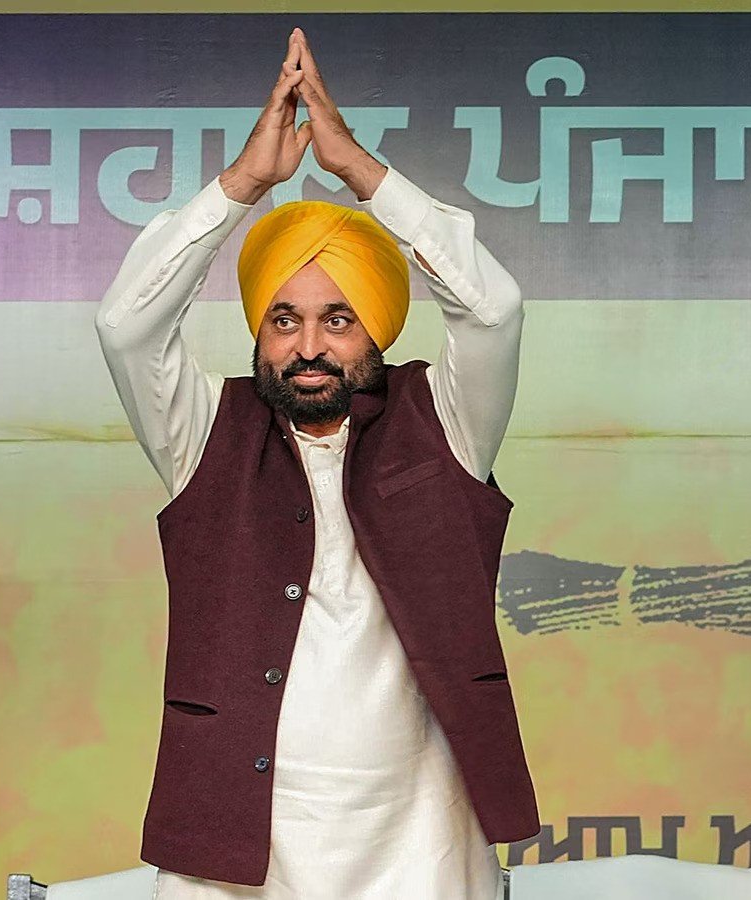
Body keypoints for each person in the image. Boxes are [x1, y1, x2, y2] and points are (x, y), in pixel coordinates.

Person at [95, 29, 536, 896]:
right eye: (283, 318)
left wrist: (358, 170)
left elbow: (492, 310)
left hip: (423, 835)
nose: (307, 347)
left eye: (338, 319)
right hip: (234, 844)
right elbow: (126, 326)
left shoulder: (445, 420)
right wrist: (244, 185)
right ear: (258, 328)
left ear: (379, 328)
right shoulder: (204, 434)